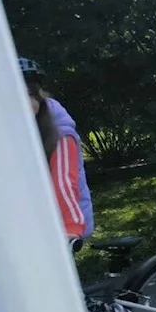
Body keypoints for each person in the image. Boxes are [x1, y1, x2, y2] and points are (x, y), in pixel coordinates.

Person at [21, 56, 94, 242]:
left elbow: (64, 181)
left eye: (30, 94)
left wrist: (71, 228)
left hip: (65, 224)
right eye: (17, 94)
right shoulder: (14, 131)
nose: (26, 102)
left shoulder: (58, 131)